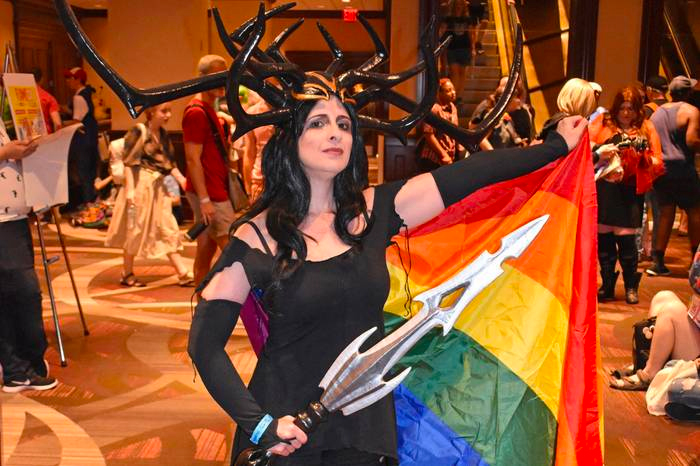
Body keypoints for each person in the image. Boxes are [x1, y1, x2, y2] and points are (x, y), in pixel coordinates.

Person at [187, 88, 587, 463]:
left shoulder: (374, 211)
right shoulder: (258, 235)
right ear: (290, 139)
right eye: (318, 123)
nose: (335, 134)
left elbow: (472, 174)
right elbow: (204, 345)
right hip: (286, 430)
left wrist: (555, 147)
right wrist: (262, 426)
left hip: (365, 423)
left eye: (344, 125)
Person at [104, 102, 192, 287]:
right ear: (151, 112)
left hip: (158, 187)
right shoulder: (139, 130)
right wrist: (130, 191)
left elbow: (170, 165)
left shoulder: (163, 135)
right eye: (163, 111)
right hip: (141, 186)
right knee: (135, 228)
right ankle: (127, 272)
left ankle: (183, 272)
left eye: (169, 111)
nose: (168, 115)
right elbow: (129, 162)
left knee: (167, 225)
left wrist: (183, 181)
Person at [0, 118, 58, 393]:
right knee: (22, 292)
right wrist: (7, 152)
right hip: (2, 221)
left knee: (17, 294)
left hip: (14, 215)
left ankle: (24, 365)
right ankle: (18, 367)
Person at [591, 86, 664, 304]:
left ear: (637, 109)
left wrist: (644, 158)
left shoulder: (646, 127)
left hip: (631, 188)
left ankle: (631, 286)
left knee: (626, 239)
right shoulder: (603, 122)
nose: (625, 113)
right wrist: (608, 147)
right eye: (622, 108)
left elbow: (659, 161)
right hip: (606, 185)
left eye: (630, 108)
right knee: (603, 236)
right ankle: (607, 285)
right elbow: (587, 145)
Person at [182, 55, 236, 286]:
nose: (222, 81)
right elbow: (192, 159)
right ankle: (216, 292)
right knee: (232, 252)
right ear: (202, 79)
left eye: (224, 76)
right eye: (217, 76)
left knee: (206, 246)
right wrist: (204, 199)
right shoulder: (196, 112)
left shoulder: (206, 109)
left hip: (211, 188)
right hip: (210, 192)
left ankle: (203, 294)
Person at [647, 75, 700, 276]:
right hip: (682, 168)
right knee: (695, 211)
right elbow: (692, 140)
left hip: (661, 169)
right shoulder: (691, 111)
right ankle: (695, 262)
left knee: (666, 213)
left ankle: (657, 262)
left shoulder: (657, 114)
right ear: (687, 93)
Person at [63, 67, 99, 207]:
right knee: (90, 171)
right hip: (91, 138)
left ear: (78, 79)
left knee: (83, 171)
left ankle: (88, 204)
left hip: (83, 140)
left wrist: (61, 126)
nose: (67, 81)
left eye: (69, 78)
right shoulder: (87, 93)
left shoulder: (78, 97)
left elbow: (77, 121)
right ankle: (92, 202)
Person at [417, 78, 463, 172]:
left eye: (453, 89)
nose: (453, 92)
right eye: (448, 91)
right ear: (440, 93)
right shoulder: (434, 109)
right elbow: (428, 135)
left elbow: (455, 130)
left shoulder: (453, 107)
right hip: (433, 159)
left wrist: (460, 147)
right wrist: (443, 155)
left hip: (449, 155)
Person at [439, 0, 471, 105]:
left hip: (465, 48)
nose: (458, 7)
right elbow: (442, 30)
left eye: (460, 5)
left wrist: (473, 47)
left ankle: (458, 97)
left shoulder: (467, 18)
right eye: (457, 5)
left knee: (463, 74)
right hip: (452, 48)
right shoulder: (449, 18)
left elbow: (472, 33)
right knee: (455, 73)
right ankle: (452, 96)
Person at [31, 67, 62, 134]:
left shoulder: (21, 96)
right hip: (45, 136)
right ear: (42, 79)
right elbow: (57, 124)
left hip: (27, 137)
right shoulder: (49, 97)